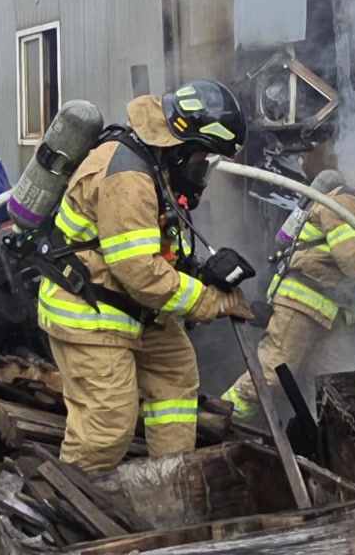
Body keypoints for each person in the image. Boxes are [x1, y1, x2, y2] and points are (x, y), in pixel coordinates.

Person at [37, 80, 255, 471]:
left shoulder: (155, 164)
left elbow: (155, 250)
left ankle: (169, 480)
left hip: (125, 303)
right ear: (183, 144)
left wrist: (201, 272)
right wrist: (212, 302)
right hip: (88, 309)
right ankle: (67, 501)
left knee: (175, 374)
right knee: (107, 425)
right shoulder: (129, 178)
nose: (202, 168)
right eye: (203, 156)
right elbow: (140, 273)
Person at [222, 171, 355, 420]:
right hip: (302, 302)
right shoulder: (343, 200)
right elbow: (353, 260)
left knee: (334, 383)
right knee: (272, 373)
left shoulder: (336, 203)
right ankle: (218, 418)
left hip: (329, 312)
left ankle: (325, 436)